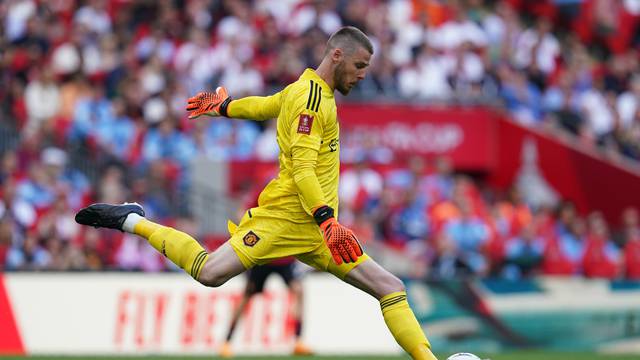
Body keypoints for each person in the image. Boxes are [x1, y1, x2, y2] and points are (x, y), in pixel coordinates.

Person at [75, 26, 437, 360]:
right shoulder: (311, 101)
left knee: (390, 287)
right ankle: (132, 220)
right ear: (337, 56)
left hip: (315, 231)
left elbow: (264, 105)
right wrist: (328, 222)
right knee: (209, 272)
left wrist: (225, 106)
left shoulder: (306, 91)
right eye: (359, 65)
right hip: (285, 221)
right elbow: (302, 169)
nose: (362, 75)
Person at [219, 257, 311, 357]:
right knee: (246, 295)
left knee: (298, 291)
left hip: (284, 258)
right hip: (263, 258)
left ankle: (298, 341)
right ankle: (227, 342)